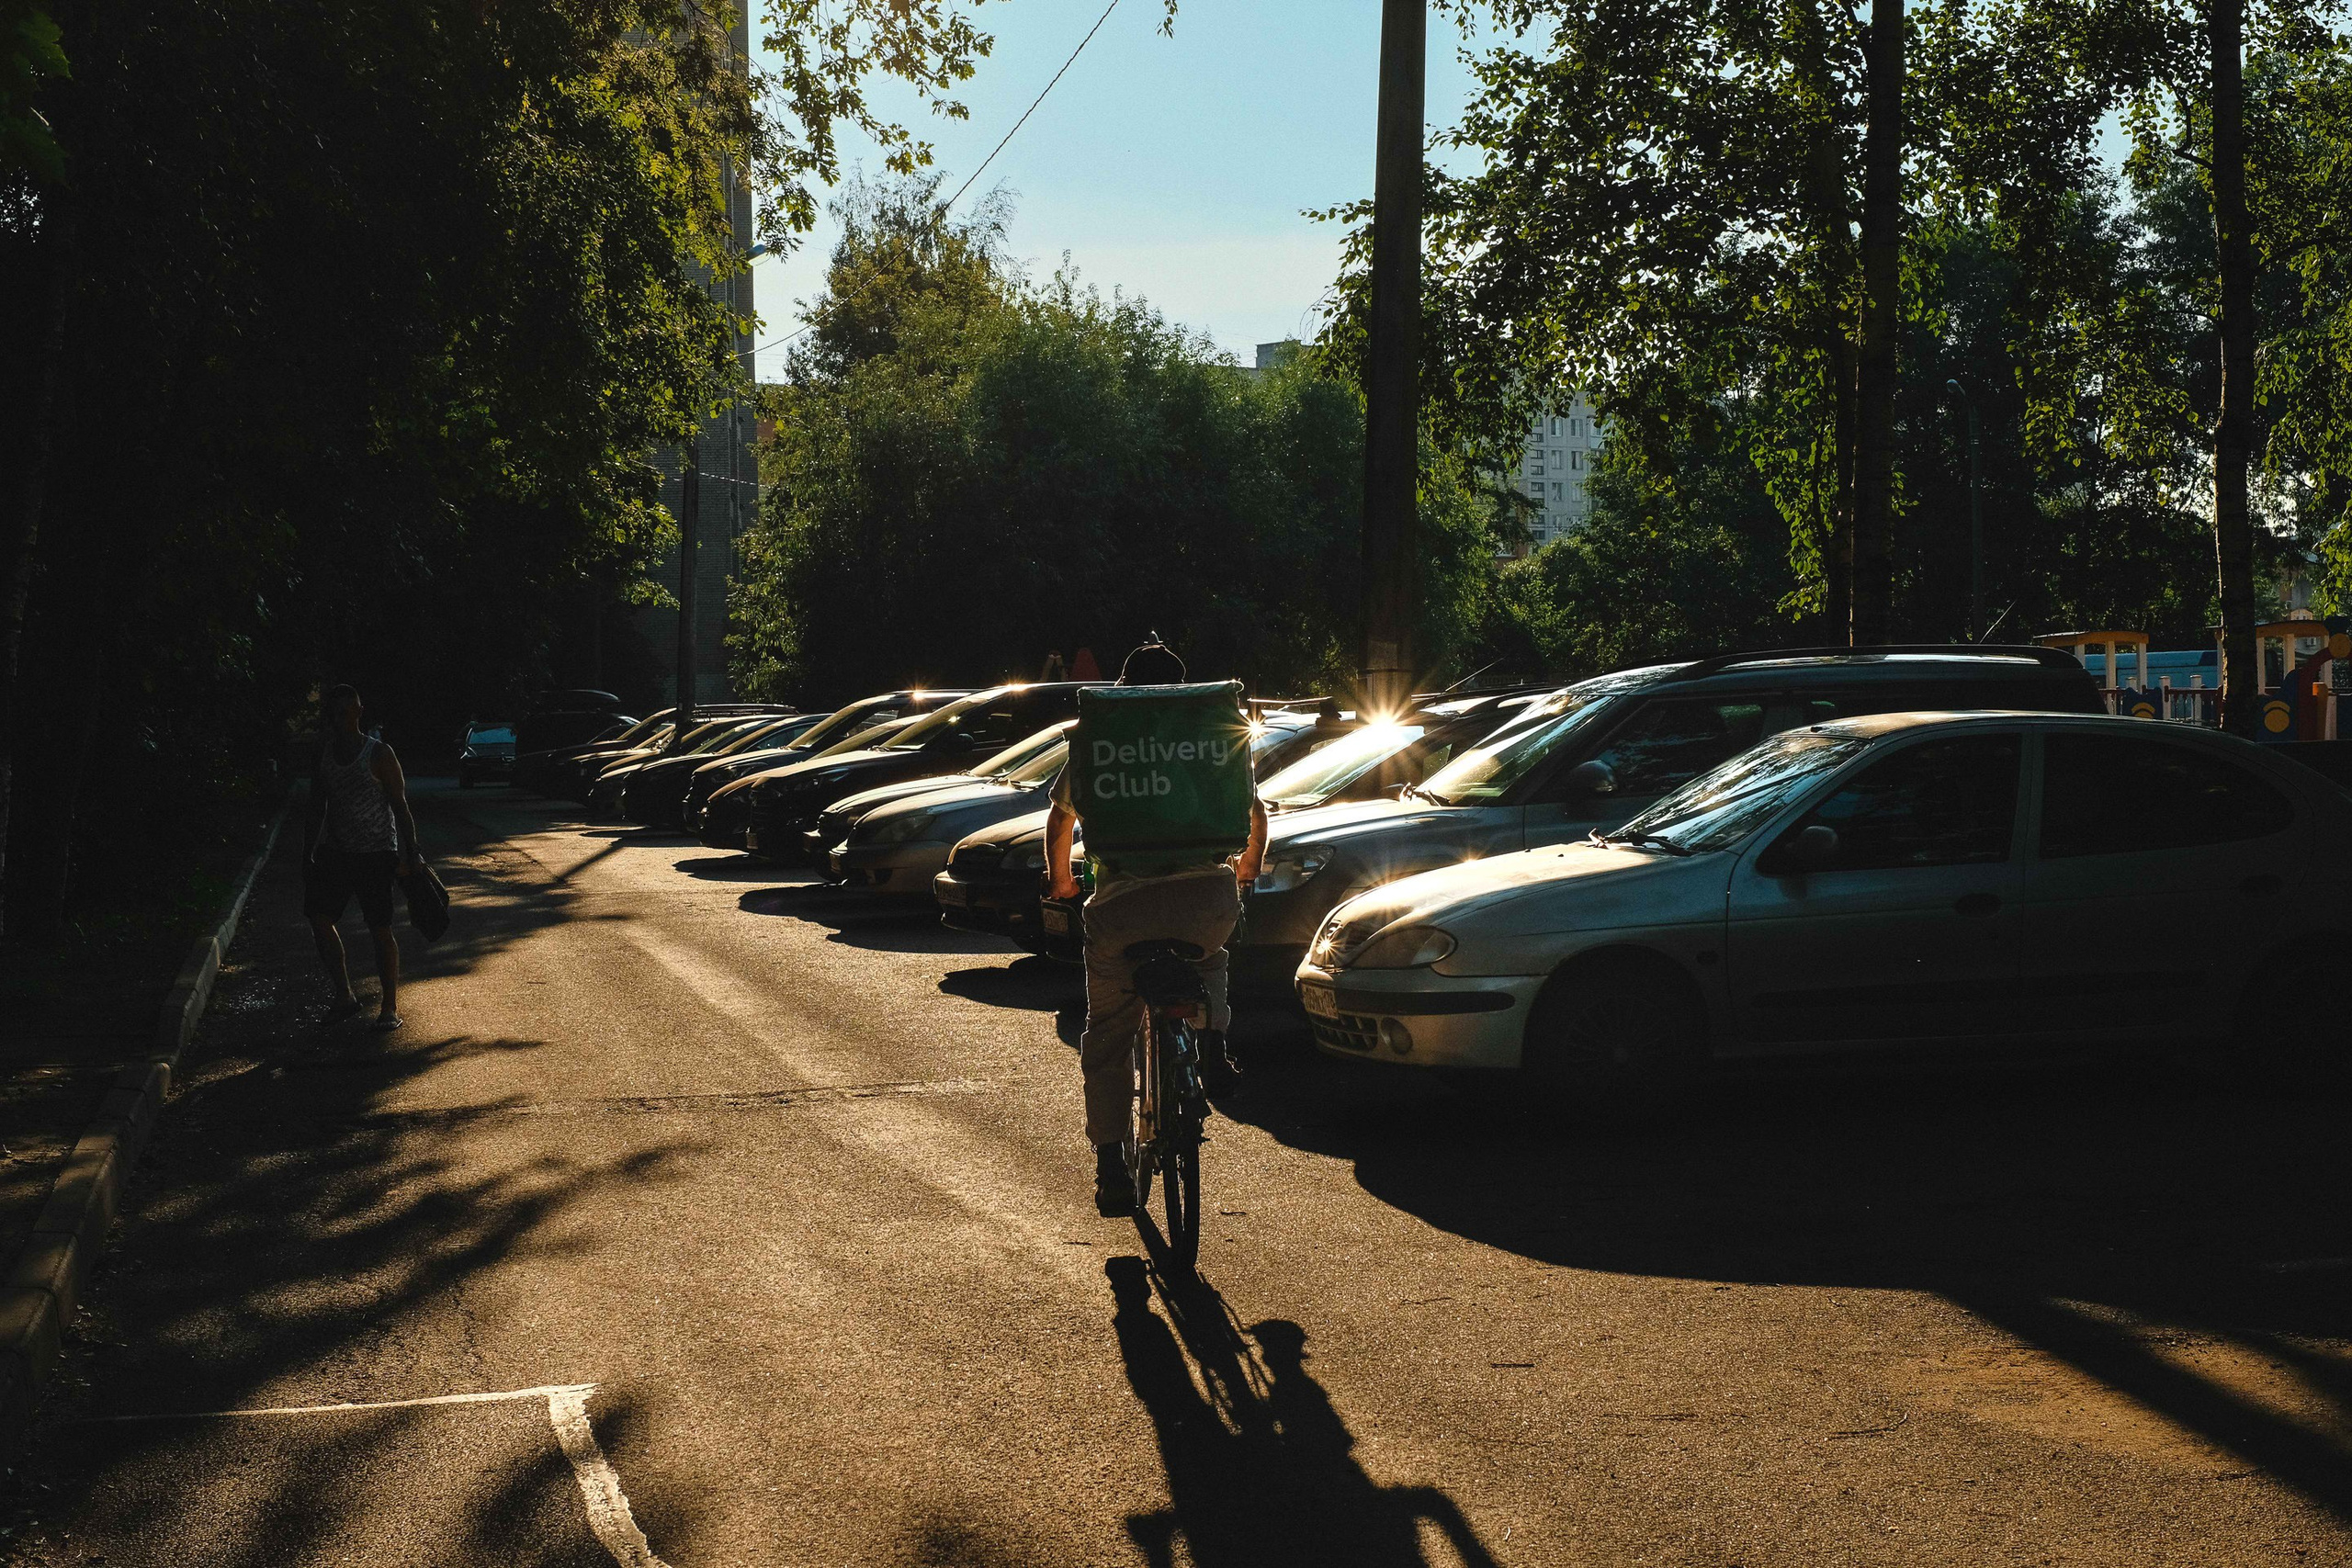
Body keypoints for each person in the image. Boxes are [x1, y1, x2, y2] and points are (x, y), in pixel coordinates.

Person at [1045, 642, 1268, 1216]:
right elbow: (1255, 814)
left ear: (1126, 691)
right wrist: (1243, 872)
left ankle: (1110, 1165)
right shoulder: (1218, 741)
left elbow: (1062, 820)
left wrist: (1062, 884)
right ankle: (1214, 1044)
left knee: (1109, 1037)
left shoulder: (1105, 744)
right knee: (1212, 957)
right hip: (1205, 904)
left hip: (1124, 908)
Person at [302, 684, 420, 1029]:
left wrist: (409, 855)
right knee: (319, 917)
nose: (341, 719)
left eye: (347, 712)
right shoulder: (324, 753)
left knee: (380, 929)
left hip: (375, 853)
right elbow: (316, 807)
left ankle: (390, 1008)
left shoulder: (379, 754)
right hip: (336, 852)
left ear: (358, 713)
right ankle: (345, 996)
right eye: (335, 713)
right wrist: (307, 852)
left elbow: (401, 807)